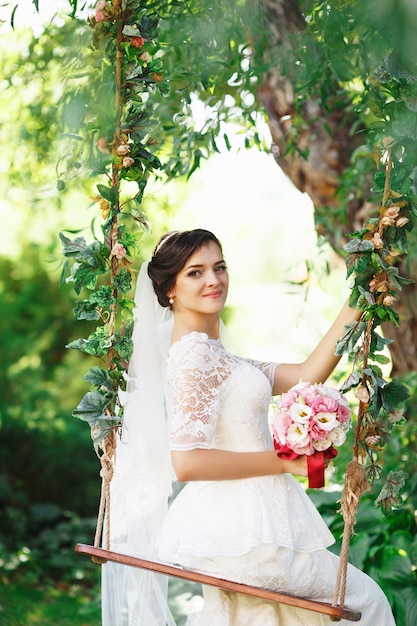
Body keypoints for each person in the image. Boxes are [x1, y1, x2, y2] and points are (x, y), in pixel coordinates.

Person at [102, 228, 396, 626]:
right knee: (366, 605)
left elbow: (306, 373)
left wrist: (358, 300)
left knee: (260, 618)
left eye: (220, 267)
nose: (213, 280)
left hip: (249, 527)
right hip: (247, 534)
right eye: (195, 272)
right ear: (168, 288)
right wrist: (285, 462)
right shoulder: (193, 357)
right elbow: (188, 462)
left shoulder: (214, 354)